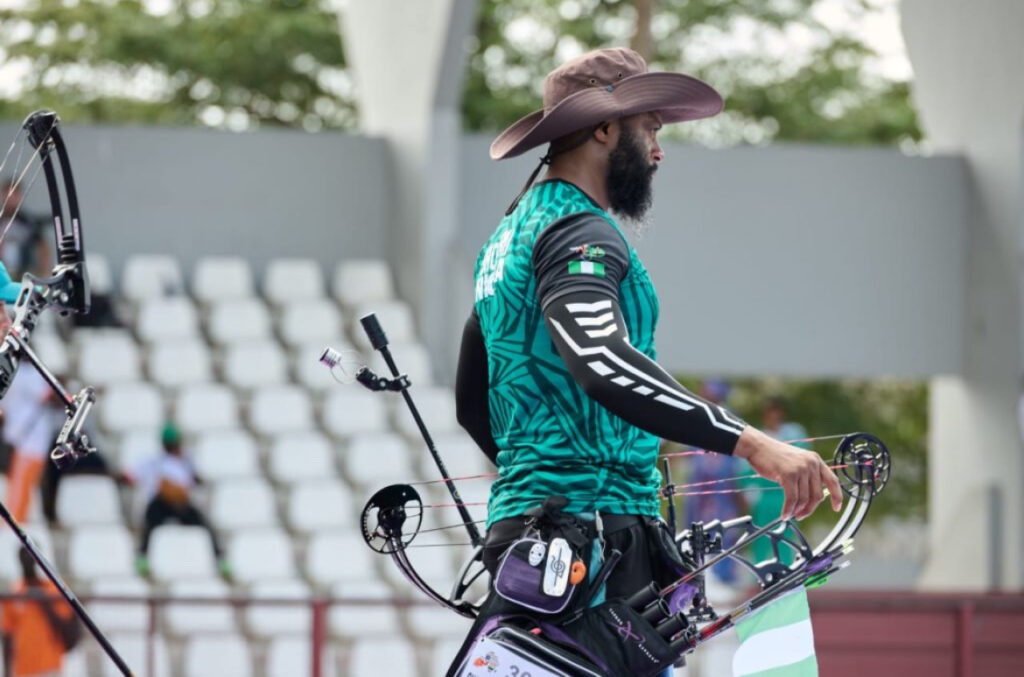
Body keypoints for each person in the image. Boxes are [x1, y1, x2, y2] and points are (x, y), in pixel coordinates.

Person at [455, 47, 842, 648]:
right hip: (592, 545)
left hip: (536, 539)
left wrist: (539, 482)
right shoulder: (578, 230)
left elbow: (472, 402)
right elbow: (602, 360)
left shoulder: (508, 237)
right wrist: (751, 442)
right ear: (605, 129)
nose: (659, 152)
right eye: (651, 130)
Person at [126, 422, 230, 578]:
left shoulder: (187, 460)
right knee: (150, 522)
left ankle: (219, 558)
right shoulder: (154, 461)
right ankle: (143, 556)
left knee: (203, 523)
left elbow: (197, 480)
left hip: (181, 503)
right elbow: (130, 476)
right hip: (160, 502)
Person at [683, 380, 747, 584]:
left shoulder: (730, 417)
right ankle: (699, 581)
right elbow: (689, 453)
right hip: (701, 489)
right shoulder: (696, 415)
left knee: (724, 533)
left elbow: (737, 461)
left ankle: (723, 580)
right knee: (696, 534)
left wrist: (740, 493)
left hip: (723, 490)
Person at [1, 547, 80, 677]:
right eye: (23, 557)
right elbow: (8, 636)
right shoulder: (15, 592)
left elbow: (67, 627)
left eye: (30, 557)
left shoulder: (53, 589)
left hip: (49, 666)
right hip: (23, 669)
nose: (27, 562)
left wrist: (44, 601)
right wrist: (6, 672)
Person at [1, 368, 63, 522]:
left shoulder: (19, 372)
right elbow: (48, 395)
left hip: (24, 439)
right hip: (25, 441)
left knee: (23, 490)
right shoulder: (26, 374)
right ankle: (12, 523)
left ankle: (16, 522)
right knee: (19, 489)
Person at [0, 178, 50, 280]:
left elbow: (43, 247)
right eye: (7, 194)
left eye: (14, 195)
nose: (10, 199)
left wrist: (44, 273)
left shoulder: (27, 223)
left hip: (23, 273)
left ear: (20, 196)